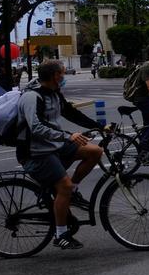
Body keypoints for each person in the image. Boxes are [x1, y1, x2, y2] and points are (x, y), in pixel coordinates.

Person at [18, 60, 105, 250]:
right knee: (63, 185)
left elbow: (71, 113)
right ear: (54, 75)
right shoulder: (32, 97)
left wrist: (98, 126)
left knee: (95, 151)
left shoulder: (55, 93)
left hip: (54, 146)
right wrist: (68, 136)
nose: (64, 77)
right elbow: (36, 127)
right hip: (36, 153)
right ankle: (61, 234)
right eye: (62, 74)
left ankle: (71, 191)